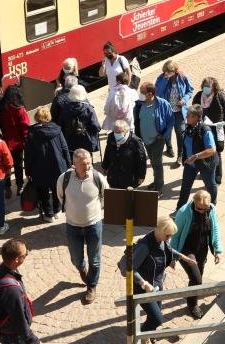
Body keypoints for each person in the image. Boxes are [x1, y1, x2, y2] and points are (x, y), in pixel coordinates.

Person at [131, 215, 197, 344]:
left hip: (157, 285)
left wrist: (182, 257)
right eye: (168, 235)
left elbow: (168, 249)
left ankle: (150, 337)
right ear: (159, 230)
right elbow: (131, 269)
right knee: (157, 318)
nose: (169, 238)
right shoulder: (145, 245)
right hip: (144, 289)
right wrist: (143, 283)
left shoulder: (162, 239)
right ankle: (142, 335)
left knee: (154, 317)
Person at [57, 149, 108, 305]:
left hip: (94, 225)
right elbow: (61, 196)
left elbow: (106, 196)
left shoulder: (97, 177)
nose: (88, 166)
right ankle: (82, 269)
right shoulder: (64, 179)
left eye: (89, 163)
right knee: (76, 259)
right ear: (74, 164)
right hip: (73, 226)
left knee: (95, 259)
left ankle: (91, 286)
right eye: (84, 164)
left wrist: (96, 213)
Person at [171, 190, 223, 319]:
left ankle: (191, 296)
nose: (202, 212)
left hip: (202, 249)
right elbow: (175, 236)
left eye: (205, 209)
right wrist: (173, 256)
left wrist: (218, 250)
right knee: (197, 279)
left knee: (197, 278)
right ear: (194, 202)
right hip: (186, 250)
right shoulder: (183, 213)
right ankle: (192, 304)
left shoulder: (211, 209)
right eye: (199, 209)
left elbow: (215, 228)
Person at [24, 107, 71, 222]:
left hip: (39, 168)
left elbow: (29, 154)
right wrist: (69, 164)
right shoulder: (57, 130)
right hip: (58, 166)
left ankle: (48, 214)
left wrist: (28, 170)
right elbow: (65, 148)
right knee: (57, 189)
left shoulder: (32, 133)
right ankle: (57, 210)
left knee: (43, 191)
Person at [133, 81, 174, 197]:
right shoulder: (139, 104)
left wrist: (163, 135)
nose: (140, 94)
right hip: (145, 140)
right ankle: (156, 182)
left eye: (142, 92)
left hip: (157, 139)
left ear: (150, 93)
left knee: (157, 163)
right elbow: (137, 120)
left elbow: (171, 122)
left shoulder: (162, 104)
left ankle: (159, 187)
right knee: (153, 161)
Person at [191, 77, 225, 186]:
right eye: (204, 86)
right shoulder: (199, 96)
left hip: (216, 129)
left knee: (216, 152)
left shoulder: (220, 97)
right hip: (203, 129)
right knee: (204, 149)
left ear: (214, 87)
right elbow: (193, 110)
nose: (206, 89)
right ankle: (205, 171)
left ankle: (217, 177)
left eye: (208, 87)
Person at [176, 105, 218, 210]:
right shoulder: (189, 127)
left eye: (189, 115)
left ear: (196, 117)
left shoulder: (205, 130)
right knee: (185, 187)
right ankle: (179, 210)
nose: (186, 116)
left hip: (205, 163)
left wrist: (196, 156)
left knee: (210, 186)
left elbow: (212, 150)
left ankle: (211, 208)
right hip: (191, 164)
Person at [155, 60, 193, 168]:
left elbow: (190, 91)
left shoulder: (182, 77)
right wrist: (165, 79)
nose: (167, 73)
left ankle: (180, 155)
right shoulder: (161, 78)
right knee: (167, 131)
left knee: (180, 133)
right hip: (167, 111)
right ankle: (169, 147)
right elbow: (158, 92)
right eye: (166, 71)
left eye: (170, 71)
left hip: (179, 112)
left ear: (175, 70)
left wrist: (184, 100)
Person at [0, 85, 30, 199]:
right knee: (18, 165)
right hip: (18, 143)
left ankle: (7, 188)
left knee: (6, 166)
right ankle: (20, 187)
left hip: (3, 142)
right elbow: (25, 128)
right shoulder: (19, 109)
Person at [56, 84, 100, 155]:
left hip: (71, 142)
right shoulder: (88, 108)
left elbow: (60, 124)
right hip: (87, 141)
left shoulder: (64, 109)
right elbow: (96, 126)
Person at [101, 120, 147, 189]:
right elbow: (107, 152)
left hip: (130, 178)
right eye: (115, 132)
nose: (116, 134)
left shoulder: (135, 141)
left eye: (119, 132)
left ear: (125, 131)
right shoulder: (111, 137)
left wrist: (141, 176)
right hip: (114, 177)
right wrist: (105, 166)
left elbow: (141, 160)